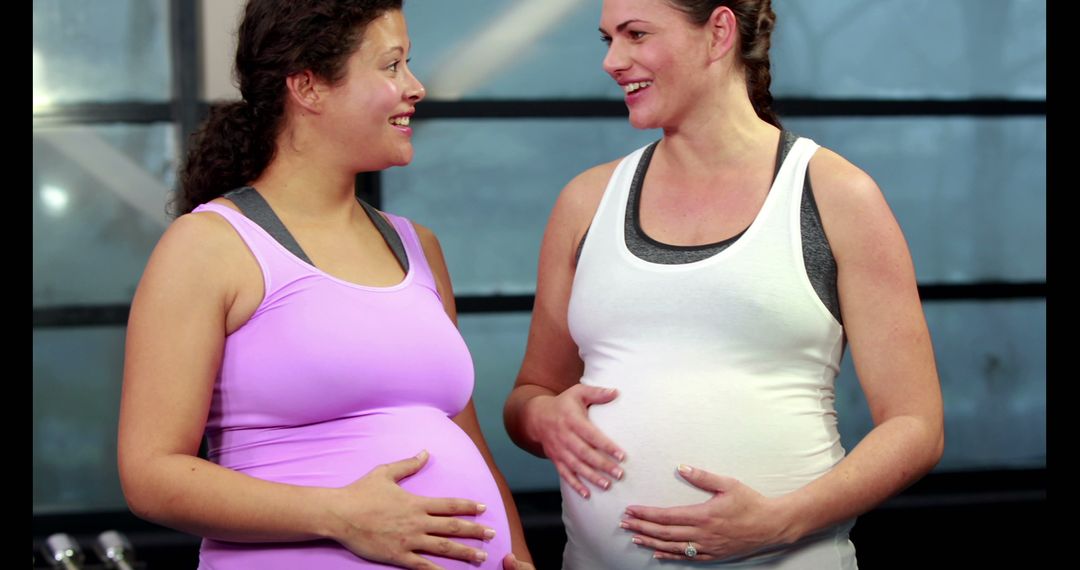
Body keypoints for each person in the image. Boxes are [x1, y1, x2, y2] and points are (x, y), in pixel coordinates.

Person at [503, 0, 945, 567]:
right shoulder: (586, 201)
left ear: (717, 32)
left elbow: (916, 425)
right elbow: (530, 393)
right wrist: (542, 418)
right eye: (607, 39)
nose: (613, 60)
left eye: (636, 34)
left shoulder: (835, 195)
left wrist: (783, 522)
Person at [117, 1, 534, 568]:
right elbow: (151, 475)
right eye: (391, 66)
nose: (415, 86)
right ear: (309, 87)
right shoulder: (209, 246)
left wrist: (521, 556)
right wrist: (340, 515)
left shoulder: (418, 246)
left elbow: (467, 441)